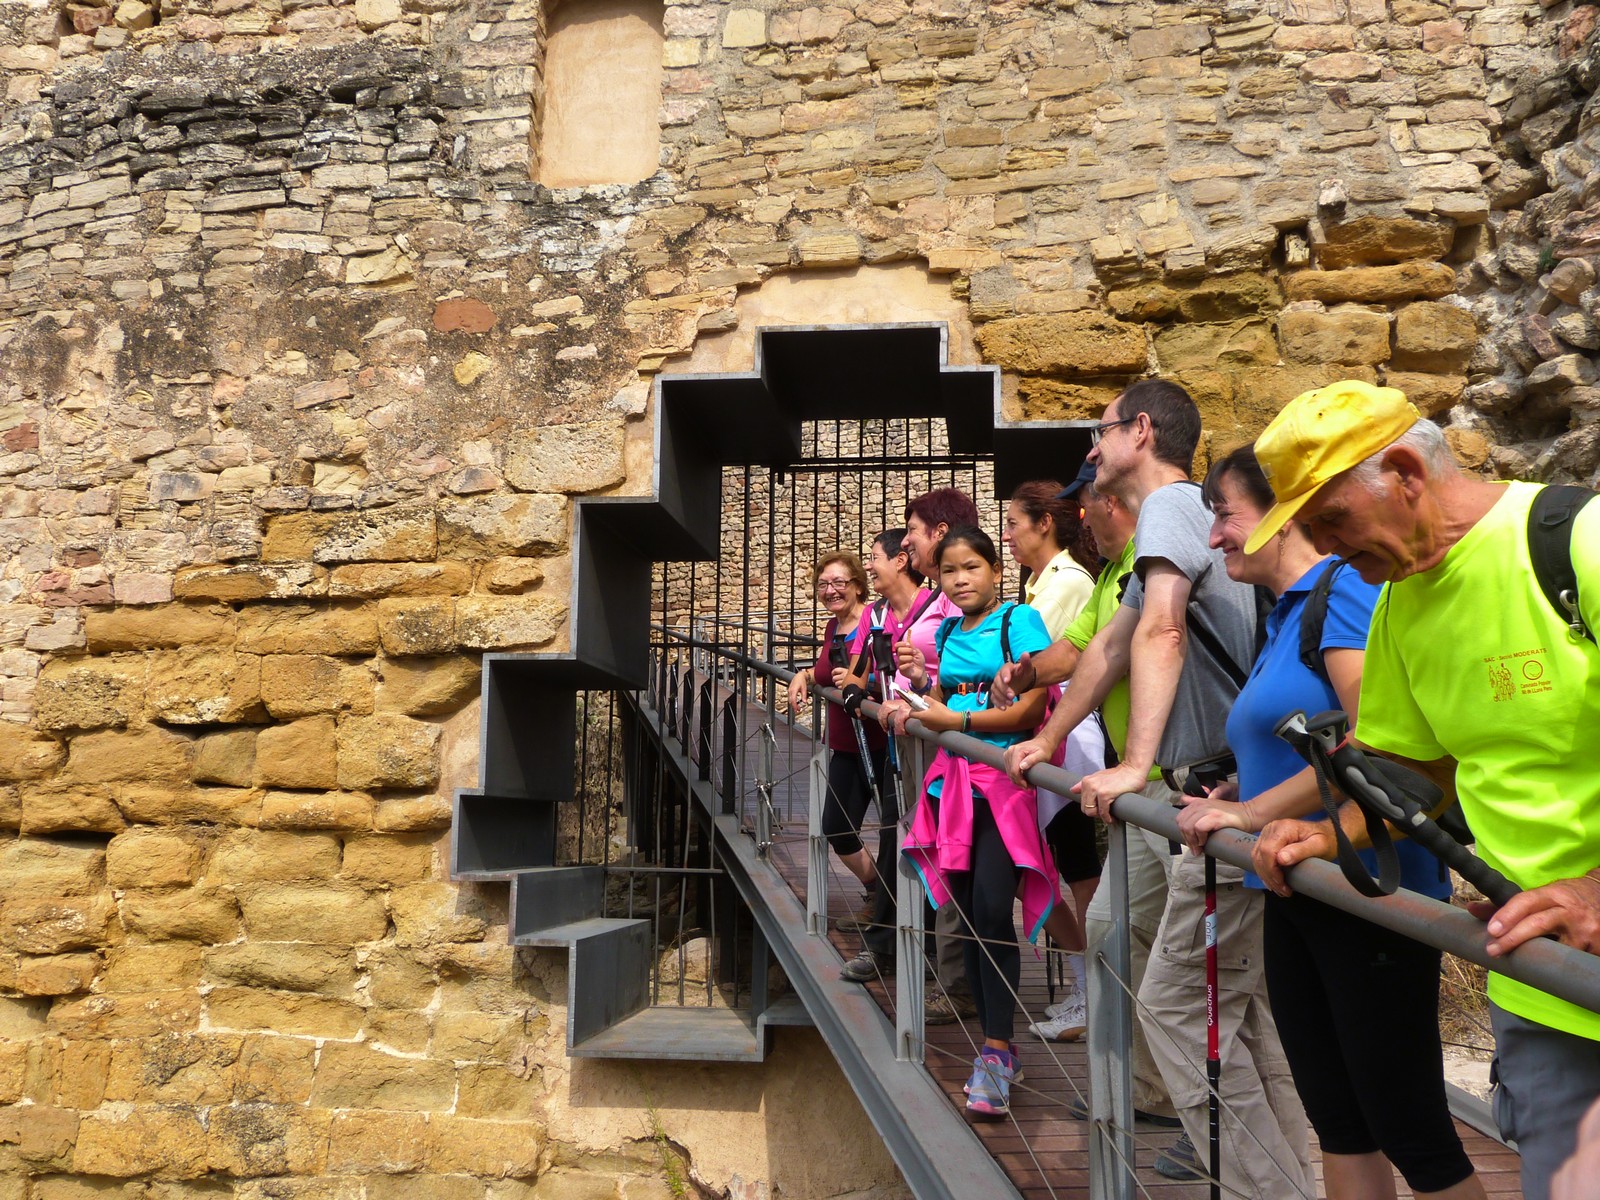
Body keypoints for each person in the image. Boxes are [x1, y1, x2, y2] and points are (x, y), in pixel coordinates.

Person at [1244, 379, 1600, 1200]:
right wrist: (1327, 835)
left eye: (1332, 519)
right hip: (1542, 986)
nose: (1326, 548)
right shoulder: (1400, 605)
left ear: (1405, 471)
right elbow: (1417, 772)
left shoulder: (1576, 543)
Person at [1000, 380, 1311, 1193]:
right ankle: (1271, 1165)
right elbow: (1111, 645)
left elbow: (1164, 629)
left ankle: (1261, 1176)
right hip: (1191, 790)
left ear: (1141, 431)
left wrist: (1132, 765)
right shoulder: (1168, 524)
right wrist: (1049, 739)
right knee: (1178, 971)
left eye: (1100, 431)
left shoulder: (1173, 506)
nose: (1091, 449)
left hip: (1207, 791)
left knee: (1197, 1003)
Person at [1176, 445, 1483, 1200]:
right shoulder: (1286, 614)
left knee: (1413, 1133)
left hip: (1370, 889)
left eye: (1224, 515)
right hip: (1299, 885)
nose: (1213, 537)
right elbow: (1308, 741)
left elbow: (1374, 745)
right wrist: (1242, 791)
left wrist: (1250, 811)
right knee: (1340, 1123)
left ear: (1282, 516)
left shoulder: (1342, 593)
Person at [879, 526, 1058, 1118]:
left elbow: (1031, 707)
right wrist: (919, 690)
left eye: (972, 567)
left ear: (996, 571)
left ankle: (999, 1049)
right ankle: (994, 1044)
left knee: (991, 910)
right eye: (950, 571)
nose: (959, 580)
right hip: (953, 786)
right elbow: (947, 698)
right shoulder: (949, 631)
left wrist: (958, 723)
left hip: (1001, 787)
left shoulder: (1019, 622)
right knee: (968, 915)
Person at [1004, 479, 1103, 1039]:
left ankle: (1092, 995)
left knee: (1077, 865)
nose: (1007, 535)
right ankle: (1087, 989)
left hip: (1070, 740)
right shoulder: (1044, 580)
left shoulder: (1066, 582)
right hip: (1054, 736)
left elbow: (1033, 661)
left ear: (1044, 524)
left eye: (1014, 523)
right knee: (1062, 864)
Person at [889, 487, 983, 1023]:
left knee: (949, 850)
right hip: (926, 735)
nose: (906, 542)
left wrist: (915, 699)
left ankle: (959, 981)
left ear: (940, 532)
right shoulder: (936, 601)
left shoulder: (956, 602)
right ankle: (952, 972)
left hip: (948, 744)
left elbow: (959, 685)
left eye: (912, 531)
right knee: (934, 846)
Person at [836, 528, 946, 985]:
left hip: (941, 742)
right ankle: (885, 946)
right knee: (892, 841)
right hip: (899, 745)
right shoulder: (876, 614)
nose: (869, 565)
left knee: (937, 844)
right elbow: (858, 672)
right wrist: (854, 692)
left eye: (874, 556)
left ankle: (935, 952)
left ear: (901, 560)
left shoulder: (939, 606)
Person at [785, 552, 887, 925]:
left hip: (881, 745)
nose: (831, 590)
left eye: (839, 582)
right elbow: (826, 671)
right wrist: (804, 676)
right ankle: (879, 893)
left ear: (858, 585)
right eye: (824, 584)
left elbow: (891, 676)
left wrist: (865, 684)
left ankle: (896, 914)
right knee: (837, 828)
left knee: (894, 831)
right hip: (845, 746)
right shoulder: (833, 627)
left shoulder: (876, 623)